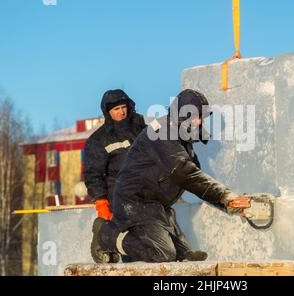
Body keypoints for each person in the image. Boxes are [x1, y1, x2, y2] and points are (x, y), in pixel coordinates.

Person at [91, 89, 242, 263]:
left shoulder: (182, 140)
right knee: (163, 254)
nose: (200, 121)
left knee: (180, 256)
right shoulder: (161, 131)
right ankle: (106, 235)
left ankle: (181, 254)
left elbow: (194, 179)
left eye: (201, 116)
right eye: (195, 116)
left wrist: (229, 204)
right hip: (134, 202)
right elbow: (185, 174)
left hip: (155, 206)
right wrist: (225, 196)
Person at [84, 89, 146, 263]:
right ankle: (101, 233)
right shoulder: (98, 140)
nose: (121, 112)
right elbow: (93, 174)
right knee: (131, 248)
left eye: (123, 107)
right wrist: (101, 203)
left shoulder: (142, 130)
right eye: (116, 109)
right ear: (108, 112)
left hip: (145, 193)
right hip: (118, 195)